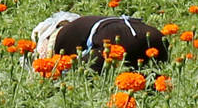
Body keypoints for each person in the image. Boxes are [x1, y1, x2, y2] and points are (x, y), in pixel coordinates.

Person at [29, 11, 168, 72]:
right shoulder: (85, 22)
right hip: (156, 36)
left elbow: (46, 67)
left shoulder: (52, 39)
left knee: (78, 80)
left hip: (115, 40)